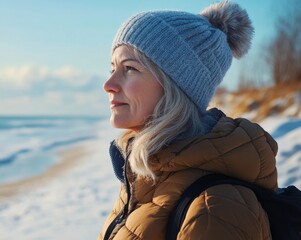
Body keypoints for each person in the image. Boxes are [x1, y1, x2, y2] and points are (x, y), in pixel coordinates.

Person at [98, 1, 278, 240]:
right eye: (113, 68)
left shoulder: (216, 208)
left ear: (175, 86)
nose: (108, 85)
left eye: (130, 68)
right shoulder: (144, 176)